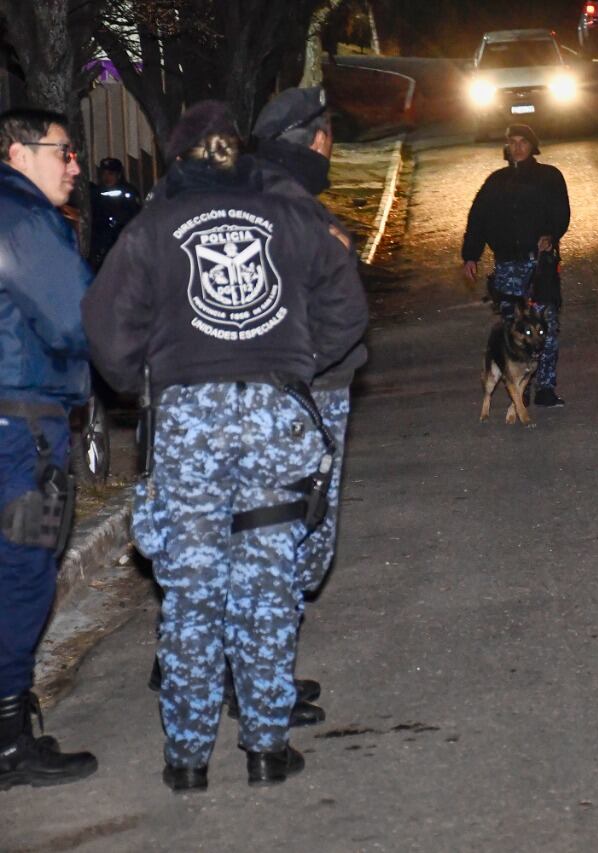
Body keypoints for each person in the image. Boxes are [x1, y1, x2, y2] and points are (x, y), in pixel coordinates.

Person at [83, 101, 368, 791]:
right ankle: (267, 748)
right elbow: (347, 308)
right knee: (267, 580)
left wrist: (142, 381)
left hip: (190, 422)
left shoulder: (153, 228)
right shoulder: (290, 216)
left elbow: (106, 327)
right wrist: (299, 363)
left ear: (177, 159)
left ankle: (186, 758)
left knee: (191, 589)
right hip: (274, 413)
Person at [0, 108, 98, 791]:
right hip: (21, 425)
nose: (74, 166)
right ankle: (9, 740)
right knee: (23, 571)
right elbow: (75, 320)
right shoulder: (24, 220)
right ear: (18, 153)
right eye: (63, 152)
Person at [462, 123, 570, 407]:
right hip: (507, 266)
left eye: (523, 142)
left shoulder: (549, 177)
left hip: (539, 265)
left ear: (532, 146)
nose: (518, 147)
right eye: (513, 142)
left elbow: (561, 212)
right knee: (514, 329)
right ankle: (519, 387)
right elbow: (478, 218)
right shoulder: (496, 182)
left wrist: (550, 235)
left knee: (545, 325)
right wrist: (470, 255)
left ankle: (545, 387)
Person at [88, 156, 141, 270]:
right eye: (104, 173)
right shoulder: (96, 193)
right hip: (100, 246)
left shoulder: (128, 193)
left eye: (110, 174)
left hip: (122, 244)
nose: (106, 177)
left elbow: (134, 217)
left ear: (118, 175)